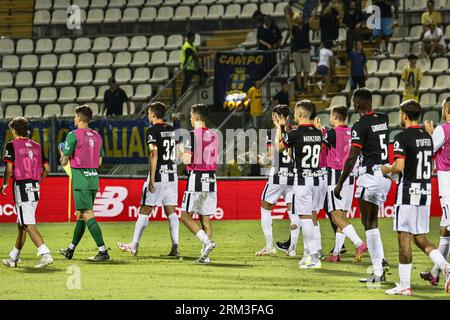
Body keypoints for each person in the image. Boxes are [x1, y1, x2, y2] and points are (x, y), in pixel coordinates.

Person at [382, 99, 450, 295]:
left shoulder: (401, 137)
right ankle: (445, 266)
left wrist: (385, 168)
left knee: (404, 237)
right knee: (420, 238)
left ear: (404, 115)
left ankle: (405, 285)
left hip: (407, 194)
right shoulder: (427, 137)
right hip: (425, 193)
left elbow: (400, 167)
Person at [334, 88, 391, 283]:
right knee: (369, 222)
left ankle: (378, 271)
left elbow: (352, 157)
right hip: (385, 176)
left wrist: (340, 183)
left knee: (370, 224)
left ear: (357, 104)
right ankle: (380, 262)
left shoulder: (360, 125)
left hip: (370, 176)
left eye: (353, 101)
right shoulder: (383, 118)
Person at [117, 102, 180, 257]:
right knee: (171, 211)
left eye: (148, 113)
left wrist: (152, 178)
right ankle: (175, 246)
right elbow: (178, 151)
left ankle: (134, 245)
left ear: (153, 114)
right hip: (172, 175)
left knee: (145, 209)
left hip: (158, 176)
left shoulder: (151, 130)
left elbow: (154, 153)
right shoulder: (171, 129)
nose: (148, 116)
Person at [274, 100, 324, 269]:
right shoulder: (318, 133)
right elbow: (291, 151)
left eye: (295, 112)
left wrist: (281, 128)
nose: (294, 115)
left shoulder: (296, 133)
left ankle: (315, 258)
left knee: (305, 219)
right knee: (312, 218)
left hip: (303, 180)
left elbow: (279, 148)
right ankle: (308, 255)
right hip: (318, 179)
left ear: (301, 114)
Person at [1, 117, 53, 269]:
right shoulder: (37, 146)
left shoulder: (12, 145)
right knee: (21, 224)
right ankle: (13, 257)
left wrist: (4, 184)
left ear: (14, 130)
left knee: (27, 223)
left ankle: (45, 254)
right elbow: (47, 169)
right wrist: (38, 183)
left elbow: (9, 169)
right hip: (34, 188)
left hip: (22, 187)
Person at [59, 105, 109, 261]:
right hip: (93, 178)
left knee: (87, 214)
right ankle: (70, 249)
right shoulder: (97, 136)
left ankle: (103, 251)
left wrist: (63, 156)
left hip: (81, 180)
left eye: (75, 117)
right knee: (81, 215)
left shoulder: (72, 135)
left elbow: (65, 159)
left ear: (79, 118)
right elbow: (99, 161)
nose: (74, 119)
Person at [323, 106, 368, 262]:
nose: (329, 117)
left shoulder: (332, 133)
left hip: (336, 177)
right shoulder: (351, 132)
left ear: (335, 117)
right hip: (350, 177)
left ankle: (359, 243)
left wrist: (319, 131)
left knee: (335, 216)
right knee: (341, 216)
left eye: (330, 115)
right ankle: (336, 254)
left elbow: (321, 149)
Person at [256, 105, 297, 256]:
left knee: (265, 208)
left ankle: (269, 246)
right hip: (293, 177)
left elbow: (271, 156)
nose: (273, 119)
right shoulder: (296, 131)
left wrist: (262, 160)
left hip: (277, 176)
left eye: (275, 116)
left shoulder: (272, 133)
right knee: (293, 211)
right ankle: (292, 248)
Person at [180, 104, 219, 264]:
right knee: (205, 219)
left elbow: (187, 160)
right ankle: (206, 257)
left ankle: (206, 242)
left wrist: (181, 152)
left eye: (190, 116)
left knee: (184, 215)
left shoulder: (191, 135)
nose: (189, 119)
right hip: (211, 179)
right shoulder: (214, 135)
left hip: (196, 179)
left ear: (195, 117)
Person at [421, 97, 450, 287]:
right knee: (444, 230)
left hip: (447, 184)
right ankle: (435, 272)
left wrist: (431, 133)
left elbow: (428, 149)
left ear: (447, 110)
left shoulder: (443, 129)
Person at [289, 13, 313, 92]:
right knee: (298, 71)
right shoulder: (294, 28)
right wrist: (287, 12)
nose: (301, 19)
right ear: (296, 19)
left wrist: (315, 10)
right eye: (299, 18)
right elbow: (289, 22)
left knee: (306, 71)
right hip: (297, 52)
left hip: (306, 51)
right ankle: (299, 87)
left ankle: (305, 86)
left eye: (301, 18)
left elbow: (312, 19)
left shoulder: (306, 26)